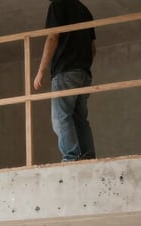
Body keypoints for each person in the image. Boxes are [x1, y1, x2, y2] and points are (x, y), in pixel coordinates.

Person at [34, 0, 96, 162]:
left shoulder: (58, 5)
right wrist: (82, 66)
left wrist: (41, 71)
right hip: (83, 73)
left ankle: (71, 157)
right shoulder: (85, 10)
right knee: (79, 118)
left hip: (65, 71)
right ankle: (87, 155)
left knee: (61, 117)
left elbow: (53, 37)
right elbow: (93, 48)